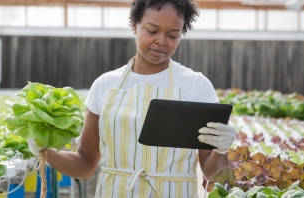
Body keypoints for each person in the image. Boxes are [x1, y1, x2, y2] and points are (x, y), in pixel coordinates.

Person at [27, 0, 236, 197]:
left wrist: (221, 149)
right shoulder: (105, 85)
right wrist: (47, 152)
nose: (161, 41)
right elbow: (85, 164)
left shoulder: (196, 86)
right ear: (134, 25)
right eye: (152, 31)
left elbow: (212, 173)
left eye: (173, 35)